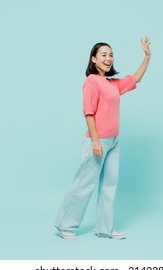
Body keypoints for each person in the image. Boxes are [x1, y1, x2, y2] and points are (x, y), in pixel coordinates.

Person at [54, 37, 151, 239]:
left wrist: (147, 56)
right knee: (84, 184)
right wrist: (96, 141)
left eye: (111, 54)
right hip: (97, 141)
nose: (108, 58)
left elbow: (136, 78)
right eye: (104, 55)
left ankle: (104, 229)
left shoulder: (112, 84)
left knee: (109, 185)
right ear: (94, 59)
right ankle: (65, 224)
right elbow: (88, 112)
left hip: (114, 141)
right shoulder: (91, 82)